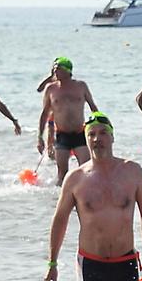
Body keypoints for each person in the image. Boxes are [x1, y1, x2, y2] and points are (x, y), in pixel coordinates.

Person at [44, 113, 142, 281]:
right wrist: (52, 263)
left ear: (112, 137)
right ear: (85, 139)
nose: (97, 138)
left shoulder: (132, 172)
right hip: (91, 264)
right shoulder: (75, 178)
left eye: (102, 133)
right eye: (91, 134)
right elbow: (59, 220)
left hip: (125, 261)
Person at [37, 57, 94, 185]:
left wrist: (100, 127)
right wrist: (40, 137)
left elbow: (93, 107)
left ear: (68, 71)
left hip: (80, 133)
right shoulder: (51, 89)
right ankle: (60, 201)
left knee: (86, 170)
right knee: (62, 174)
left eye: (58, 69)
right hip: (62, 135)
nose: (55, 72)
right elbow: (44, 114)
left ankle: (85, 199)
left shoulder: (81, 86)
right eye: (54, 69)